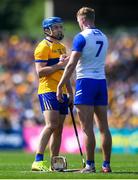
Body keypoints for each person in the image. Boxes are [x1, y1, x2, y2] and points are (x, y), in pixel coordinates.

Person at [57, 7, 112, 173]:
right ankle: (106, 165)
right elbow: (88, 56)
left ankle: (90, 165)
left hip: (85, 82)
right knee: (104, 127)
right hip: (101, 82)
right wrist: (69, 58)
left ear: (82, 20)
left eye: (78, 21)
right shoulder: (103, 36)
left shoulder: (81, 37)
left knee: (87, 127)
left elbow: (73, 64)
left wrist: (60, 84)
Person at [31, 16, 73, 171]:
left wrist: (70, 93)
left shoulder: (62, 47)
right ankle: (38, 160)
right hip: (48, 90)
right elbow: (40, 72)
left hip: (61, 92)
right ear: (47, 30)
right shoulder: (42, 47)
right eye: (56, 27)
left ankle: (54, 164)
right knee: (51, 125)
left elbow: (64, 72)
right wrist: (59, 65)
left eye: (60, 27)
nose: (59, 30)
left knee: (59, 129)